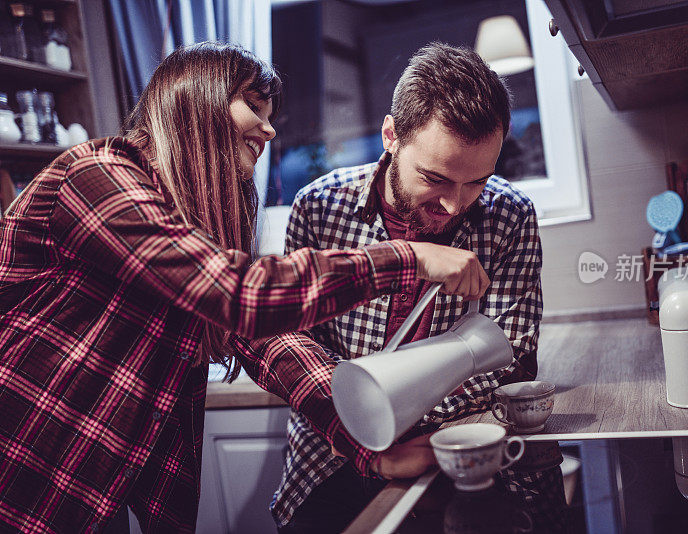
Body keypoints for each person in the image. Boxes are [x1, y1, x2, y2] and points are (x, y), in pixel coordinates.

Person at [0, 42, 490, 533]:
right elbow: (239, 296)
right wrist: (409, 257)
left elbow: (266, 341)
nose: (270, 128)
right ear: (194, 98)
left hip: (101, 478)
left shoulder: (190, 228)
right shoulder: (96, 175)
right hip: (28, 468)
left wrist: (369, 448)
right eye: (253, 106)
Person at [252, 42, 565, 533]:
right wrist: (366, 425)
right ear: (391, 135)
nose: (455, 205)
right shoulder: (318, 207)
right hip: (330, 458)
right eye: (435, 178)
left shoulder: (510, 216)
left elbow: (512, 356)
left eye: (477, 182)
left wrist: (411, 416)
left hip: (455, 450)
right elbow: (295, 343)